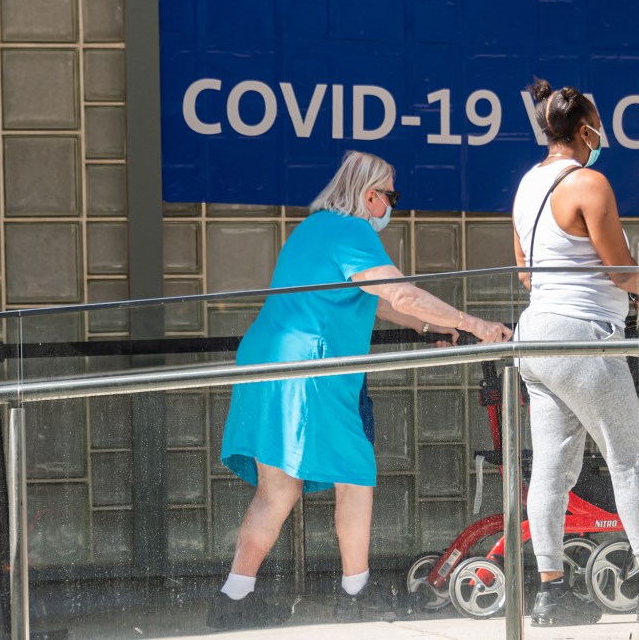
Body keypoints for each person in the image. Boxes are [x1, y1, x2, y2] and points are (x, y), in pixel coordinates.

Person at [207, 151, 513, 630]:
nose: (393, 204)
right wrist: (473, 324)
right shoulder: (353, 231)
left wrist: (421, 326)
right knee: (356, 472)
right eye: (391, 195)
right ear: (369, 196)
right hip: (313, 367)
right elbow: (400, 292)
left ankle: (233, 598)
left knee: (278, 488)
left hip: (266, 361)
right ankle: (355, 593)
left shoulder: (312, 228)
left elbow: (379, 300)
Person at [512, 79, 639, 626]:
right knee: (630, 460)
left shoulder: (526, 185)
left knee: (550, 470)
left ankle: (550, 594)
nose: (601, 135)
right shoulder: (590, 183)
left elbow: (524, 272)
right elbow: (619, 268)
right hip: (583, 335)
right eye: (599, 125)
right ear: (585, 129)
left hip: (535, 338)